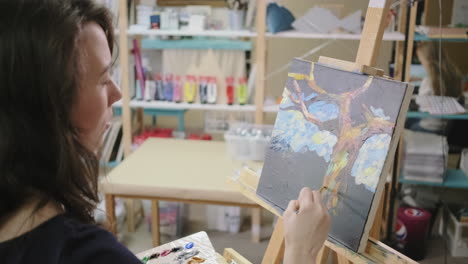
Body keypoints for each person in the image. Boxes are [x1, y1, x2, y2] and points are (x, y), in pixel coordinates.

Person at [0, 1, 330, 263]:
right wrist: (301, 252)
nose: (117, 93)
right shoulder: (83, 252)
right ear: (47, 106)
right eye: (102, 80)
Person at [411, 42, 464, 135]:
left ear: (427, 60)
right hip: (446, 127)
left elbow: (421, 104)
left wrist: (413, 97)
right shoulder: (454, 74)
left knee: (406, 126)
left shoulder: (429, 81)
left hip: (429, 126)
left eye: (421, 60)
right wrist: (421, 79)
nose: (421, 63)